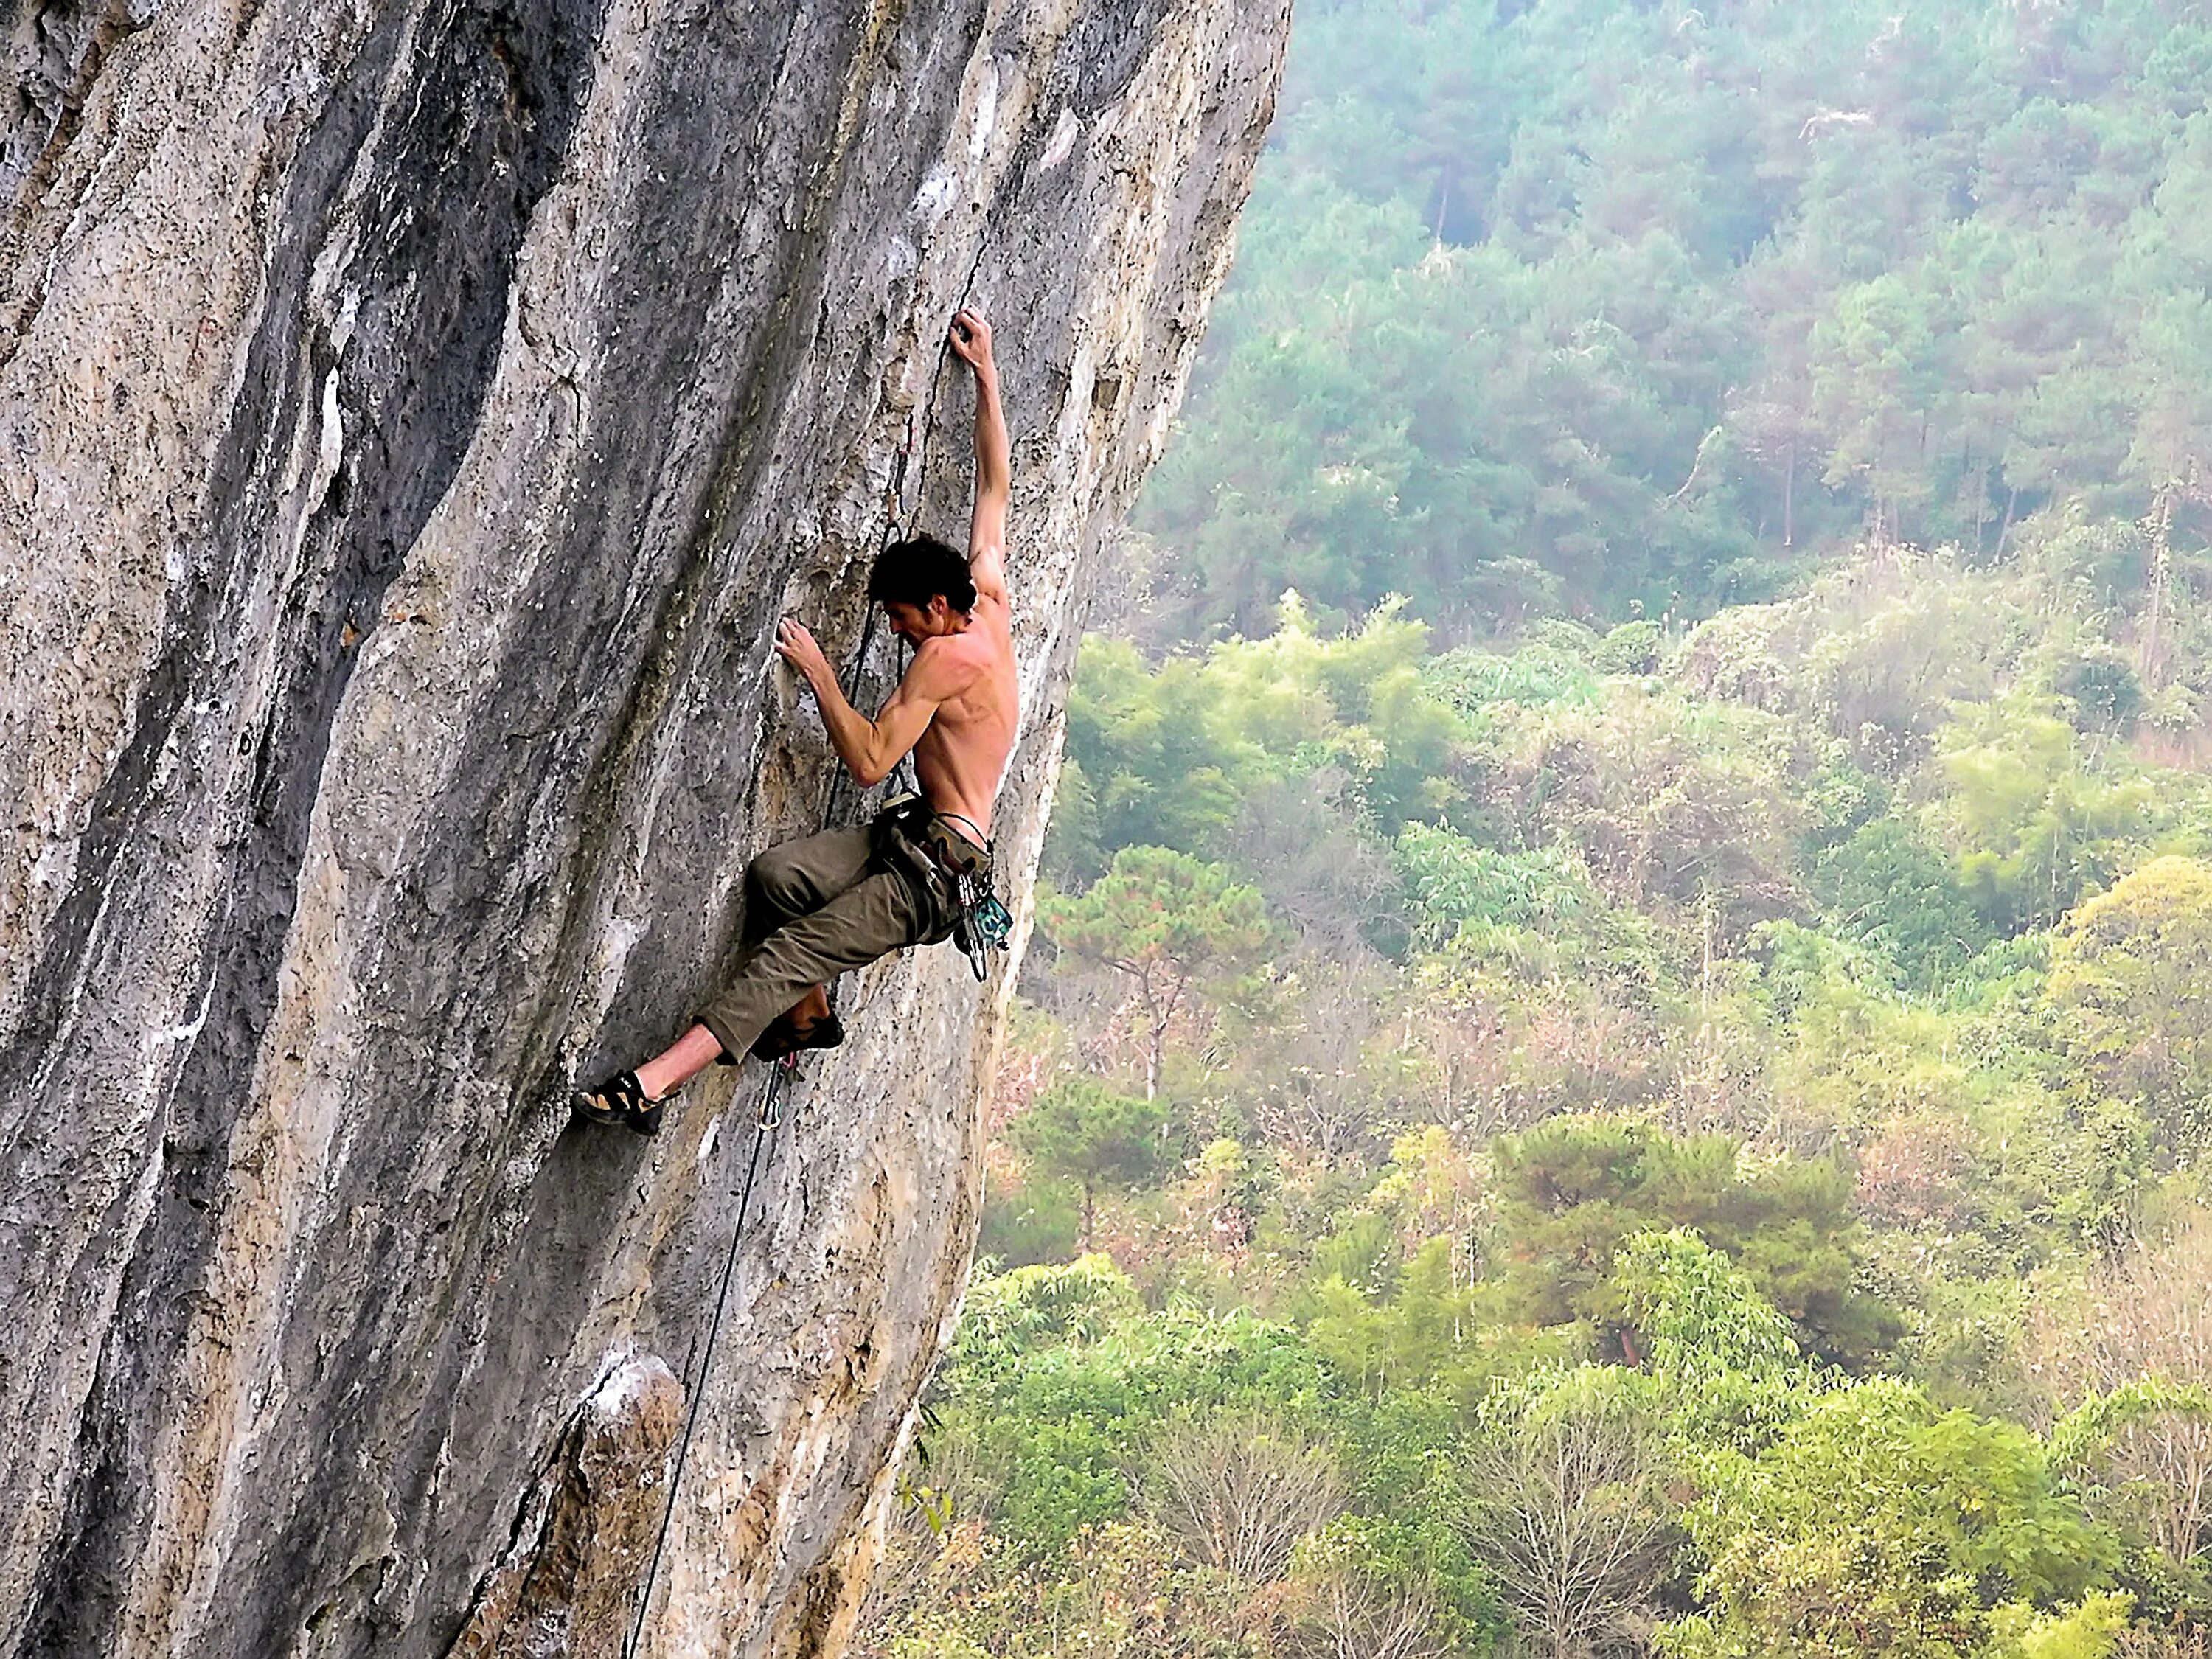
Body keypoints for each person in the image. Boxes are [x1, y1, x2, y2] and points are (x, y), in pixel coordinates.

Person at [575, 310, 1019, 1136]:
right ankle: (807, 1015)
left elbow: (871, 761)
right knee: (778, 880)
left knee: (791, 951)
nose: (896, 633)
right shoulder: (986, 596)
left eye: (900, 619)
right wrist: (986, 375)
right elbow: (994, 487)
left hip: (932, 879)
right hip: (914, 836)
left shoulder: (947, 661)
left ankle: (648, 1087)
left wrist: (820, 676)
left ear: (934, 607)